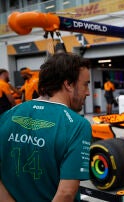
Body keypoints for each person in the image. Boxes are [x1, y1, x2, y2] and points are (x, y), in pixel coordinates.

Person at [0, 52, 92, 202]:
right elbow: (66, 194)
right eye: (85, 84)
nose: (88, 92)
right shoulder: (77, 125)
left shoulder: (7, 115)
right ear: (68, 84)